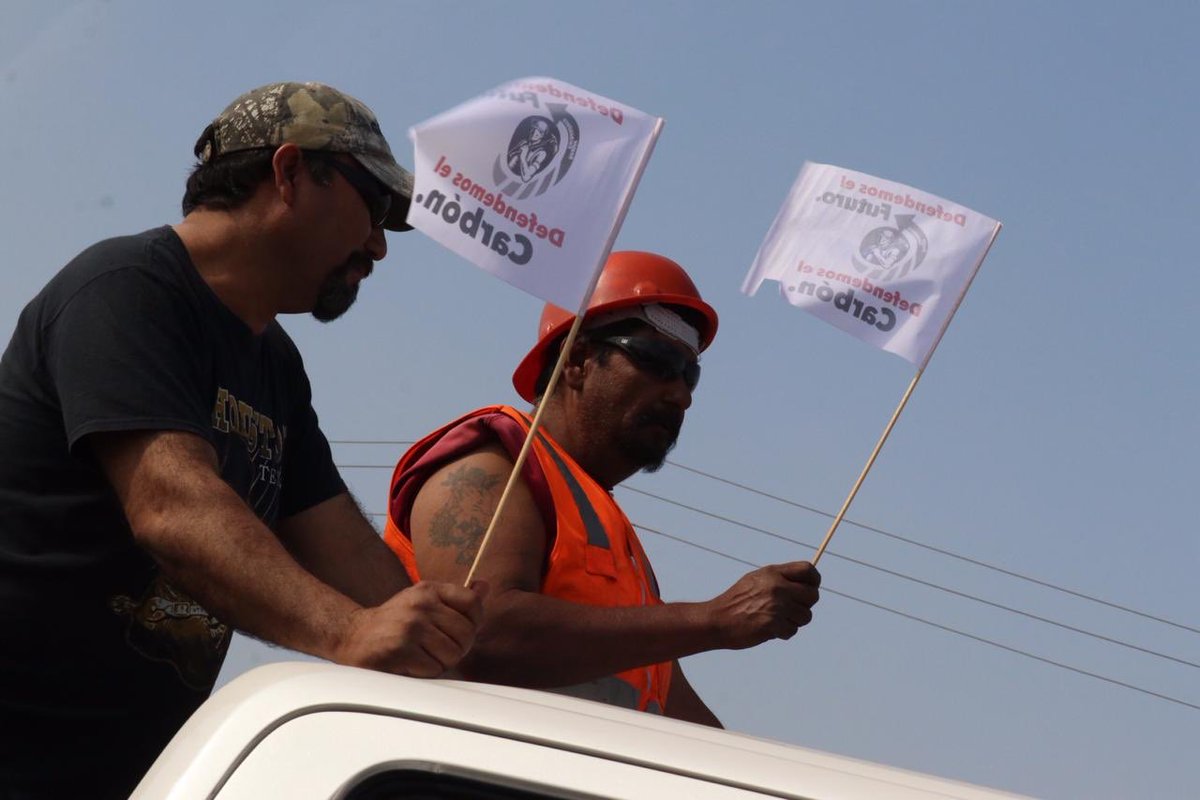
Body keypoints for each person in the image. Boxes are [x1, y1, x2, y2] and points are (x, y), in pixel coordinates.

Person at [0, 81, 483, 799]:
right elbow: (174, 508)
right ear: (289, 173)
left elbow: (345, 553)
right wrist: (350, 634)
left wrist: (450, 663)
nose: (379, 246)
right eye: (375, 209)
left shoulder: (275, 364)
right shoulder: (124, 291)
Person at [383, 251, 820, 727]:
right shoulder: (493, 464)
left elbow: (674, 711)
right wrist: (714, 619)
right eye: (658, 361)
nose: (682, 394)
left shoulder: (612, 537)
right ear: (577, 360)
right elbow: (485, 635)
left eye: (690, 374)